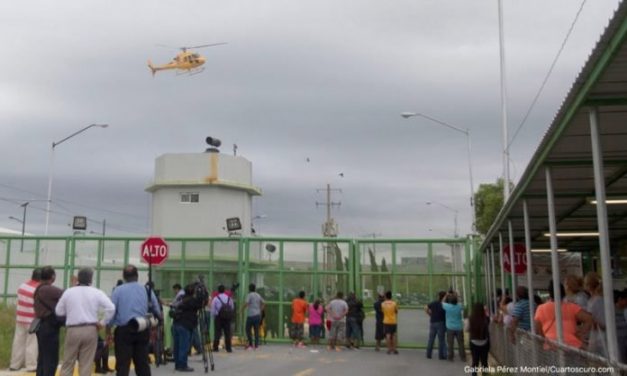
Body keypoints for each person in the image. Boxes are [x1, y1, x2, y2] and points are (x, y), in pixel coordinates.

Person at [56, 267, 115, 376]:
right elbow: (111, 308)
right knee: (86, 364)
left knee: (68, 362)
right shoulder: (96, 292)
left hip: (73, 329)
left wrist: (71, 314)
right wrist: (102, 323)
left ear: (78, 278)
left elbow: (59, 311)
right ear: (91, 279)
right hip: (91, 329)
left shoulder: (69, 292)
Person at [108, 265, 162, 376]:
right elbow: (157, 310)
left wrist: (108, 330)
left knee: (123, 365)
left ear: (124, 277)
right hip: (142, 328)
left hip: (124, 331)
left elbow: (111, 312)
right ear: (137, 276)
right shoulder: (147, 290)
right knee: (142, 364)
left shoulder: (118, 291)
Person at [534, 281, 592, 349]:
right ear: (563, 293)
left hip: (550, 345)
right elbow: (589, 319)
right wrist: (580, 332)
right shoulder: (572, 307)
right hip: (572, 346)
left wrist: (544, 340)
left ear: (550, 293)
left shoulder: (541, 308)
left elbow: (538, 328)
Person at [34, 266, 64, 376]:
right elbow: (65, 293)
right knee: (50, 360)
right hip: (49, 327)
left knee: (43, 358)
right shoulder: (47, 289)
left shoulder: (39, 288)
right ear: (53, 277)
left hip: (42, 326)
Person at [10, 268, 41, 372]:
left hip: (20, 317)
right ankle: (31, 366)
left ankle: (14, 364)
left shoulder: (22, 286)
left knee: (18, 341)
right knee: (32, 343)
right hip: (32, 320)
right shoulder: (38, 289)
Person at [172, 283, 203, 372]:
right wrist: (202, 293)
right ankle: (183, 365)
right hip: (185, 325)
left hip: (176, 323)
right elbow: (201, 303)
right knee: (184, 346)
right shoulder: (192, 300)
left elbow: (173, 305)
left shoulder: (180, 298)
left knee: (177, 345)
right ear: (193, 292)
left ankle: (177, 365)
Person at [585, 272, 607, 356]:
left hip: (597, 337)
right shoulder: (603, 299)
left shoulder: (592, 301)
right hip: (605, 335)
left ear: (588, 286)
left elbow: (591, 321)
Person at [467, 302, 490, 376]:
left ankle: (474, 374)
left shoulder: (470, 318)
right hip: (484, 342)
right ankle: (485, 374)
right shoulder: (486, 318)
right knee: (484, 362)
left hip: (473, 342)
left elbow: (467, 329)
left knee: (475, 361)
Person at [442, 292, 465, 362]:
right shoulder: (459, 306)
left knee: (450, 343)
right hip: (459, 327)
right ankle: (463, 357)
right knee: (461, 343)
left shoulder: (447, 306)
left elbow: (442, 302)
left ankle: (450, 357)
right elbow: (461, 302)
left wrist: (446, 295)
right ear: (456, 301)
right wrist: (457, 295)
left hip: (450, 327)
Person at [211, 284, 234, 353]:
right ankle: (228, 348)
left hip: (218, 318)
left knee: (217, 333)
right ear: (224, 290)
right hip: (227, 318)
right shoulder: (228, 298)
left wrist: (214, 316)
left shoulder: (215, 298)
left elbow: (213, 309)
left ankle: (215, 347)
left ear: (218, 290)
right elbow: (232, 307)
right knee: (227, 333)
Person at [425, 291, 447, 360]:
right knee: (441, 340)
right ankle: (441, 356)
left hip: (433, 322)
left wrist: (429, 314)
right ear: (444, 297)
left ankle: (428, 354)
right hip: (441, 322)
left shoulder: (434, 303)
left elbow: (425, 307)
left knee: (431, 339)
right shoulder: (444, 304)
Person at [243, 283, 264, 350]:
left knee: (247, 329)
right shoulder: (258, 295)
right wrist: (260, 310)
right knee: (256, 330)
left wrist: (241, 310)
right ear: (255, 288)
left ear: (249, 288)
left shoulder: (249, 295)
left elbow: (246, 303)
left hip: (250, 315)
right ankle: (256, 345)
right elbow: (263, 303)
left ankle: (250, 345)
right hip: (257, 315)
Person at [381, 290, 398, 355]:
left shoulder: (383, 304)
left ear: (386, 296)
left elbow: (383, 311)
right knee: (393, 335)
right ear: (391, 296)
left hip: (386, 321)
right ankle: (394, 349)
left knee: (387, 335)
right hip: (393, 321)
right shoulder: (394, 303)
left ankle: (389, 349)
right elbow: (396, 311)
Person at [614, 289, 627, 363]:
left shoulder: (624, 310)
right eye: (625, 300)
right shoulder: (612, 311)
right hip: (619, 341)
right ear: (620, 299)